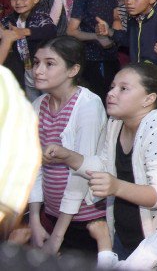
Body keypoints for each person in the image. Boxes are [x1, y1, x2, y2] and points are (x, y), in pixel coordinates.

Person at [42, 63, 157, 259]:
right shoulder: (116, 124)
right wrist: (68, 156)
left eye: (124, 89)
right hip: (123, 234)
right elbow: (104, 166)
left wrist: (117, 186)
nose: (111, 93)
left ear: (149, 99)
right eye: (112, 87)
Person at [27, 37, 106, 257]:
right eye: (36, 63)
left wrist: (57, 236)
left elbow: (82, 171)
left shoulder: (88, 105)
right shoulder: (38, 105)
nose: (39, 71)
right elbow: (34, 167)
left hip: (85, 218)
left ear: (73, 70)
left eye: (49, 64)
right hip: (51, 214)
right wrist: (35, 219)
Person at [67, 0, 121, 96]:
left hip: (114, 53)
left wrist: (113, 34)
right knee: (102, 96)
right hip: (94, 58)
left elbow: (117, 18)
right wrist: (96, 36)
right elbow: (71, 31)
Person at [1, 0, 58, 98]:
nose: (18, 2)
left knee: (47, 97)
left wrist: (25, 32)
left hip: (43, 67)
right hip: (27, 67)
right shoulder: (11, 19)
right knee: (32, 98)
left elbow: (50, 31)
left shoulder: (40, 15)